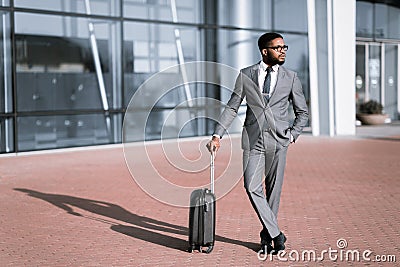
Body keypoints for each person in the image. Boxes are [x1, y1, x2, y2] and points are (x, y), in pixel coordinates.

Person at [206, 32, 309, 254]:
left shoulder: (290, 77)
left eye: (284, 47)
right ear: (264, 51)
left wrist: (292, 135)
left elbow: (302, 112)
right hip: (253, 141)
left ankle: (266, 237)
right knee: (251, 187)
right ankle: (277, 234)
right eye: (277, 47)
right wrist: (217, 135)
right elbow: (233, 106)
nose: (282, 51)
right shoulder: (246, 75)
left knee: (273, 191)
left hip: (279, 141)